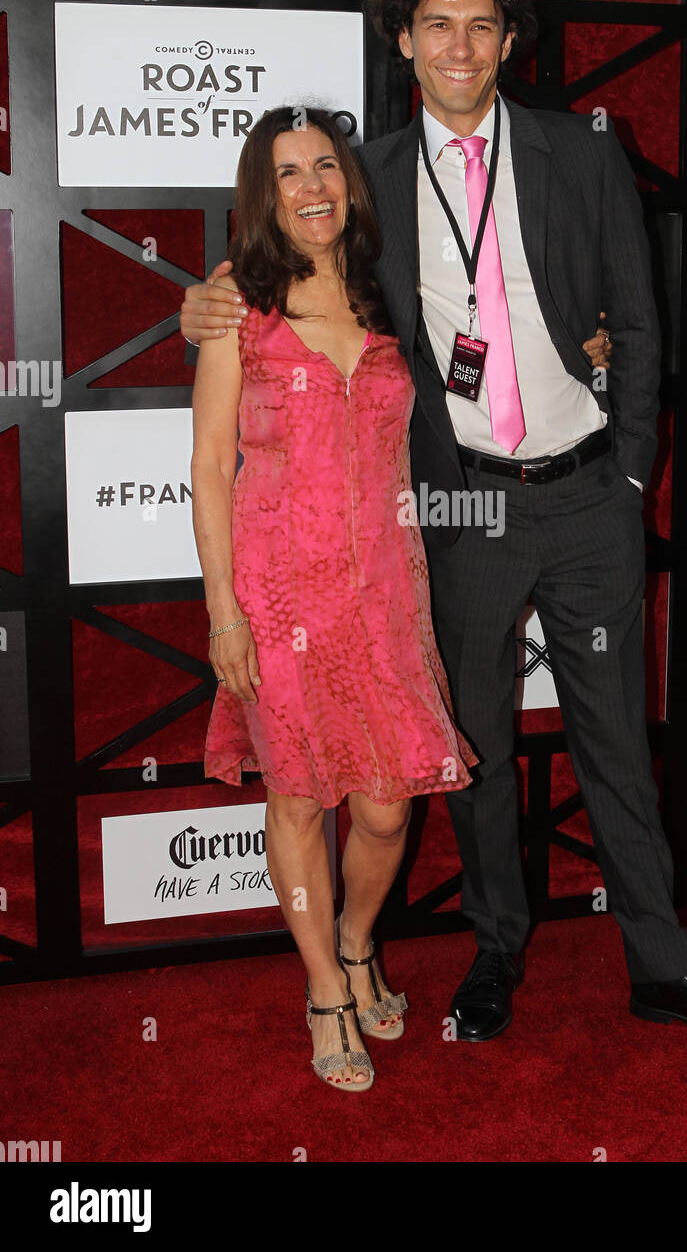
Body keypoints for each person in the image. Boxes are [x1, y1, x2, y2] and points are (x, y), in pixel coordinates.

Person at [182, 0, 687, 1053]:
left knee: (616, 738)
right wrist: (202, 305)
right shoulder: (361, 179)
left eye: (480, 23)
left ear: (509, 41)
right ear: (403, 40)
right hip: (457, 511)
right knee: (475, 753)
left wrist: (634, 474)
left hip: (587, 499)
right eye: (436, 23)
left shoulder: (580, 152)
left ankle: (664, 966)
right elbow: (279, 270)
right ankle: (496, 950)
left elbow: (640, 321)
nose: (458, 45)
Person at [190, 104, 478, 1091]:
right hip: (276, 595)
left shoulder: (390, 292)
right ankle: (324, 988)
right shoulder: (240, 303)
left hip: (385, 593)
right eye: (288, 173)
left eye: (326, 166)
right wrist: (224, 611)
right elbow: (209, 469)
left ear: (350, 184)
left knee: (389, 809)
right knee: (301, 799)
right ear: (263, 197)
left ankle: (357, 938)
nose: (312, 186)